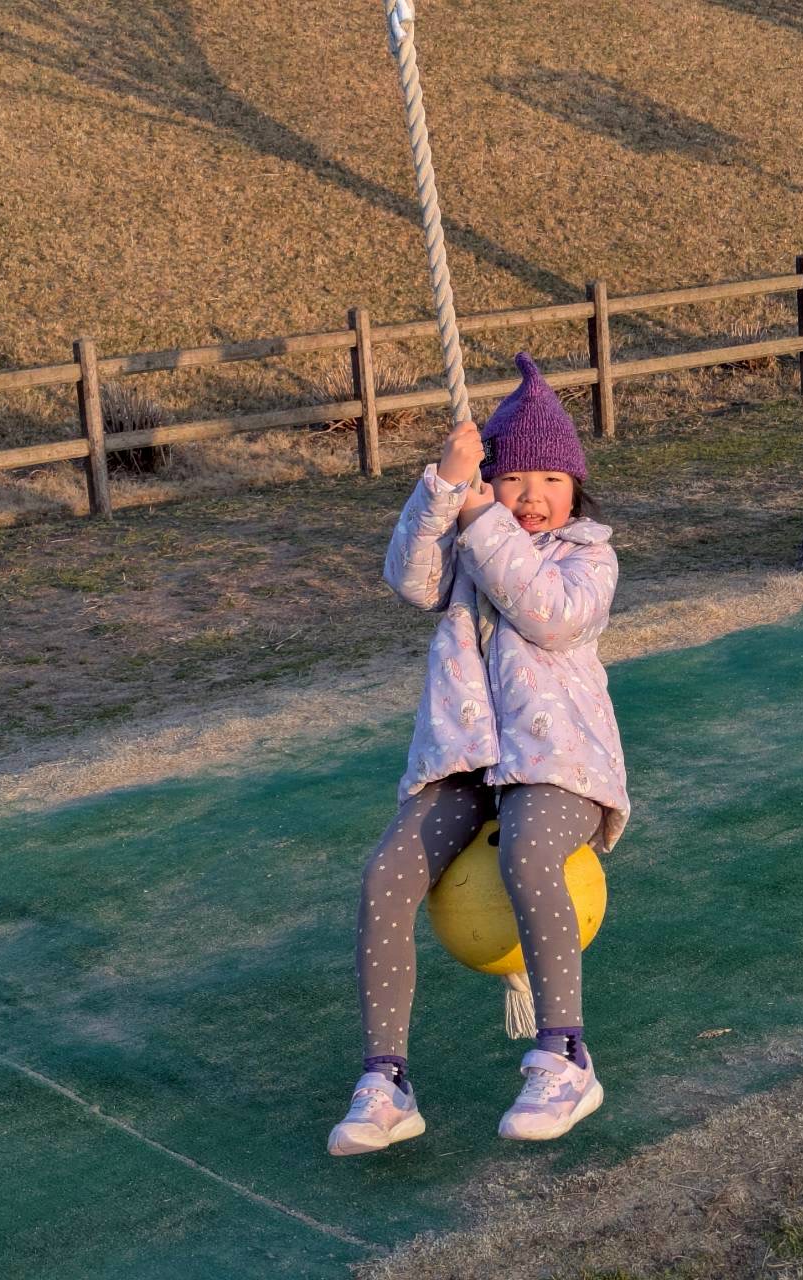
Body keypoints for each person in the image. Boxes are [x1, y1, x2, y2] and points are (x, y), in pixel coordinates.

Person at [328, 352, 630, 1156]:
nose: (531, 495)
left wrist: (481, 517)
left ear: (576, 489)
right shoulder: (468, 539)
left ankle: (565, 1056)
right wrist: (444, 487)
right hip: (466, 763)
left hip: (558, 764)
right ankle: (386, 1082)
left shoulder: (586, 557)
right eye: (512, 478)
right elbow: (409, 579)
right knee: (385, 876)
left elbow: (548, 614)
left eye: (551, 480)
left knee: (527, 849)